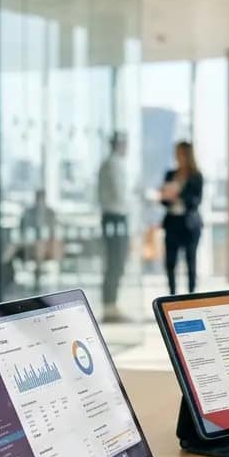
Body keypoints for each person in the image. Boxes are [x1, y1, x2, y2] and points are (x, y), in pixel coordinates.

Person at [159, 140, 203, 295]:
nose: (178, 157)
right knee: (170, 262)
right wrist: (166, 195)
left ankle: (191, 295)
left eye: (181, 153)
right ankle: (172, 295)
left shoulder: (196, 176)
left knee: (191, 261)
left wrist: (178, 194)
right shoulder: (170, 174)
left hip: (190, 225)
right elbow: (164, 200)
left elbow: (196, 201)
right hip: (172, 223)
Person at [97, 131, 131, 322]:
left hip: (111, 217)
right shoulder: (114, 164)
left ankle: (111, 304)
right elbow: (120, 195)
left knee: (114, 262)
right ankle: (110, 306)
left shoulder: (109, 163)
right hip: (116, 218)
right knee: (116, 263)